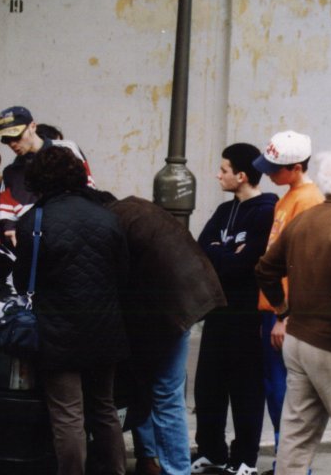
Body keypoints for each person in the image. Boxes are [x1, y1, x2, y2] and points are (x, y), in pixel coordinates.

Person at [13, 145, 128, 475]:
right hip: (105, 328)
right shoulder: (108, 217)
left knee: (68, 414)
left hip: (58, 331)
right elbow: (124, 274)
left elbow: (23, 282)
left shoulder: (34, 221)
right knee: (104, 408)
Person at [255, 147, 331, 475]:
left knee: (296, 439)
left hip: (299, 342)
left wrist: (283, 311)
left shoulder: (306, 217)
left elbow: (265, 269)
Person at [103, 195, 226, 475]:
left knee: (164, 391)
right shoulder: (134, 210)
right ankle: (155, 460)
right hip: (185, 298)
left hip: (168, 309)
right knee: (159, 388)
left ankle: (170, 467)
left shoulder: (113, 222)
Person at [192, 143, 278, 475]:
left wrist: (223, 253)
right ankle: (212, 452)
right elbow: (200, 250)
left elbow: (248, 265)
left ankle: (244, 460)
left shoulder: (266, 211)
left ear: (241, 176)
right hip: (217, 313)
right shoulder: (223, 210)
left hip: (248, 317)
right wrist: (230, 254)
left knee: (246, 391)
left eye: (224, 169)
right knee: (208, 388)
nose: (218, 174)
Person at [251, 130, 324, 474]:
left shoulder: (307, 200)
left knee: (286, 395)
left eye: (275, 168)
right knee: (277, 391)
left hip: (285, 313)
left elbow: (304, 264)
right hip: (275, 310)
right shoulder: (289, 196)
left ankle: (294, 466)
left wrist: (286, 315)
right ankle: (287, 463)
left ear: (295, 168)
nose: (268, 173)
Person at [0, 106, 94, 247]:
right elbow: (6, 211)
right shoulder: (10, 172)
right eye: (6, 139)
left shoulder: (67, 149)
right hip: (31, 242)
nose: (12, 143)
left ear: (33, 127)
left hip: (73, 235)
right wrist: (10, 229)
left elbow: (89, 189)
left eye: (16, 136)